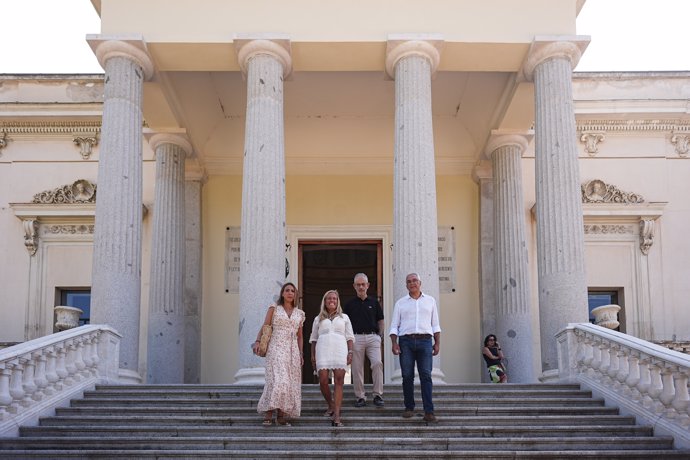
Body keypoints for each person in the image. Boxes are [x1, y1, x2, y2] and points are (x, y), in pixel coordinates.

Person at [389, 273, 441, 423]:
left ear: (420, 283)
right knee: (407, 376)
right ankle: (409, 407)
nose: (412, 283)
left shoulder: (430, 301)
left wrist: (437, 343)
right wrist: (394, 342)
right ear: (406, 285)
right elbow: (394, 326)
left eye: (414, 281)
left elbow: (435, 325)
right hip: (406, 341)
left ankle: (429, 411)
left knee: (426, 375)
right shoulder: (400, 303)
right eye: (409, 282)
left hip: (425, 341)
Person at [252, 282, 305, 426]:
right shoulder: (274, 309)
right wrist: (257, 341)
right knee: (277, 380)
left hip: (292, 350)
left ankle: (281, 416)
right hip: (276, 347)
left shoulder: (299, 314)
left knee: (288, 383)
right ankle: (268, 413)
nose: (289, 293)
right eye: (286, 290)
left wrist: (300, 353)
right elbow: (265, 327)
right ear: (282, 293)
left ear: (295, 295)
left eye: (292, 291)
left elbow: (300, 336)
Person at [309, 290, 355, 427]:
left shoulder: (344, 317)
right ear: (324, 301)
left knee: (339, 380)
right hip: (322, 349)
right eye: (329, 298)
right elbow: (313, 339)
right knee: (322, 380)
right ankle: (331, 404)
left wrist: (350, 352)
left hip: (340, 348)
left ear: (338, 301)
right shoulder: (318, 319)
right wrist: (312, 355)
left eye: (334, 298)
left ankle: (337, 414)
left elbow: (350, 337)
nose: (332, 300)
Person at [343, 273, 385, 408]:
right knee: (356, 368)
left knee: (377, 363)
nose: (361, 287)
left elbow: (381, 320)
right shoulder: (349, 305)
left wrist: (380, 335)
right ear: (354, 286)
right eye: (358, 284)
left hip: (373, 337)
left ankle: (378, 395)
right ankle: (360, 396)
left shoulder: (374, 302)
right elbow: (345, 324)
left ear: (368, 285)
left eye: (363, 284)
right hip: (356, 338)